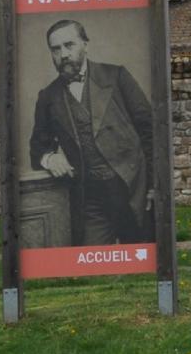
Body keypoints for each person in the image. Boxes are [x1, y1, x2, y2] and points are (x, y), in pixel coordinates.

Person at [29, 18, 155, 245]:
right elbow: (37, 146)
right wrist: (50, 157)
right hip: (90, 200)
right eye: (56, 49)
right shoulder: (48, 97)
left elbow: (150, 132)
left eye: (69, 45)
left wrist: (155, 185)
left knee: (143, 262)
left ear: (85, 44)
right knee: (92, 266)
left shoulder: (116, 76)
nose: (63, 54)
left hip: (133, 190)